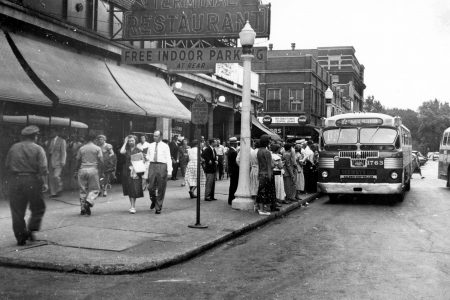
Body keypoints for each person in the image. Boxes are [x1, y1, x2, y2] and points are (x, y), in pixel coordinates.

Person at [5, 125, 49, 246]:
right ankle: (31, 229)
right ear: (35, 136)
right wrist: (45, 182)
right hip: (32, 180)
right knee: (38, 207)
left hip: (15, 180)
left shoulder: (13, 148)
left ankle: (20, 237)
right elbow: (43, 168)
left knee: (17, 210)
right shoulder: (38, 149)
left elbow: (7, 165)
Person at [143, 130, 172, 214]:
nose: (154, 137)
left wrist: (170, 171)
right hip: (152, 166)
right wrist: (146, 157)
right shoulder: (150, 145)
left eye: (156, 136)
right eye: (154, 136)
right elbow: (148, 156)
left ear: (160, 137)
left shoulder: (165, 146)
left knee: (161, 187)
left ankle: (158, 206)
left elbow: (168, 159)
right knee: (150, 187)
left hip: (162, 166)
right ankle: (154, 200)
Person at [75, 133, 103, 216]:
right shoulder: (97, 148)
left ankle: (82, 209)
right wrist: (101, 171)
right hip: (93, 170)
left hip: (82, 170)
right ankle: (89, 201)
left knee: (82, 189)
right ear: (94, 140)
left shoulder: (81, 148)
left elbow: (77, 160)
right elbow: (101, 160)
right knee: (95, 189)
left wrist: (76, 171)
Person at [119, 135, 144, 214]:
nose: (131, 142)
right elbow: (121, 151)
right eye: (129, 141)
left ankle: (133, 206)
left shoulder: (138, 150)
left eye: (132, 140)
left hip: (135, 171)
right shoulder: (127, 149)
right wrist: (125, 142)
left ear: (135, 141)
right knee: (129, 188)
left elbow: (142, 160)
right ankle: (132, 205)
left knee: (134, 188)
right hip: (127, 171)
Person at [256, 135, 275, 215]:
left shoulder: (259, 151)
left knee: (261, 192)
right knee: (265, 192)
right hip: (266, 174)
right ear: (267, 142)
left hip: (261, 173)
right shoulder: (267, 152)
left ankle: (261, 208)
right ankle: (262, 210)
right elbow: (270, 165)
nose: (270, 142)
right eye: (269, 140)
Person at [46, 128, 67, 198]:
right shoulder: (49, 141)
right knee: (51, 177)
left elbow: (64, 152)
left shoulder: (62, 141)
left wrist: (63, 161)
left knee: (56, 176)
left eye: (52, 132)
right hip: (50, 161)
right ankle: (53, 193)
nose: (51, 133)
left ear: (56, 132)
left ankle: (59, 188)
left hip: (58, 161)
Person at [227, 137, 239, 205]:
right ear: (234, 144)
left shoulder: (230, 150)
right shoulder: (233, 152)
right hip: (235, 170)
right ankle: (232, 199)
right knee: (234, 185)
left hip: (232, 170)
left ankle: (230, 199)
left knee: (232, 185)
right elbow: (235, 162)